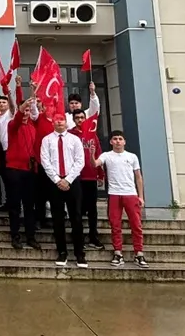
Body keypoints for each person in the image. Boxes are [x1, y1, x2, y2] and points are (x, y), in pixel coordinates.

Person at [39, 113, 87, 268]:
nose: (59, 123)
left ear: (67, 123)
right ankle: (62, 252)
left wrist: (68, 179)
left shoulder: (75, 139)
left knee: (76, 218)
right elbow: (45, 161)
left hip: (72, 181)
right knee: (58, 218)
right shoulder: (47, 140)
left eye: (62, 120)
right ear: (53, 123)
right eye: (57, 120)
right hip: (54, 182)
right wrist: (57, 180)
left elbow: (80, 161)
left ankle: (80, 253)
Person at [97, 131, 148, 268]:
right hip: (114, 194)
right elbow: (96, 163)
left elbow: (138, 176)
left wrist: (141, 196)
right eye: (115, 139)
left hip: (130, 194)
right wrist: (90, 154)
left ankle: (139, 253)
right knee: (115, 225)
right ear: (111, 142)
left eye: (120, 139)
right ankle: (118, 252)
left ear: (124, 141)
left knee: (136, 225)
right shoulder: (107, 155)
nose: (118, 141)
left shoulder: (132, 157)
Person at [5, 97, 43, 251]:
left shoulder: (33, 127)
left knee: (29, 206)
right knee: (14, 205)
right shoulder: (13, 125)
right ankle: (15, 235)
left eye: (28, 110)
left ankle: (30, 236)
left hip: (30, 171)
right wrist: (23, 105)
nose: (26, 113)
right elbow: (18, 117)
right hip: (14, 169)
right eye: (24, 110)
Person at [71, 108, 104, 250]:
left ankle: (93, 236)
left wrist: (100, 174)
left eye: (82, 117)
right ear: (73, 119)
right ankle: (78, 239)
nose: (80, 120)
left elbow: (99, 154)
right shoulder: (70, 135)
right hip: (76, 177)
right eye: (77, 117)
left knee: (92, 209)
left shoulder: (92, 135)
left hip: (90, 176)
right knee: (77, 208)